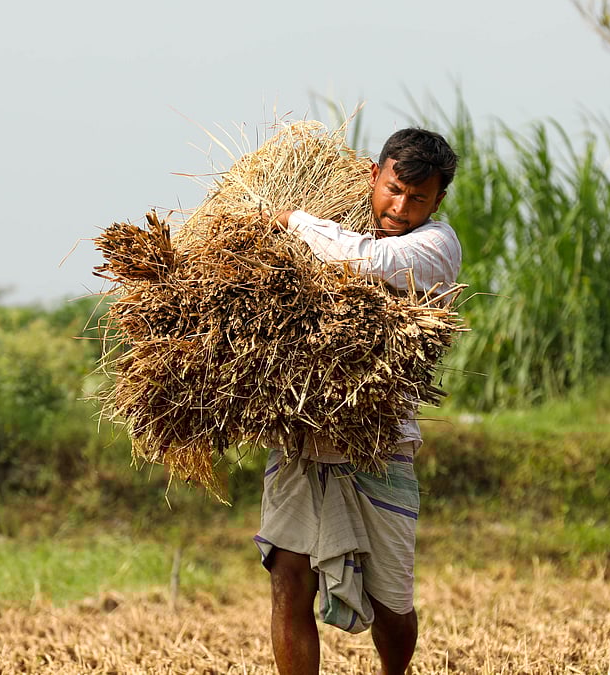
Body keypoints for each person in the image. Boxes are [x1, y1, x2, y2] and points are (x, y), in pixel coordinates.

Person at [254, 127, 461, 675]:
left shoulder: (437, 246)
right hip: (299, 430)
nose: (401, 207)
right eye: (394, 189)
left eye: (419, 198)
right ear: (375, 175)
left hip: (381, 440)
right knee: (287, 575)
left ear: (438, 200)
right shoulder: (337, 216)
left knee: (391, 600)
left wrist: (295, 222)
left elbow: (368, 261)